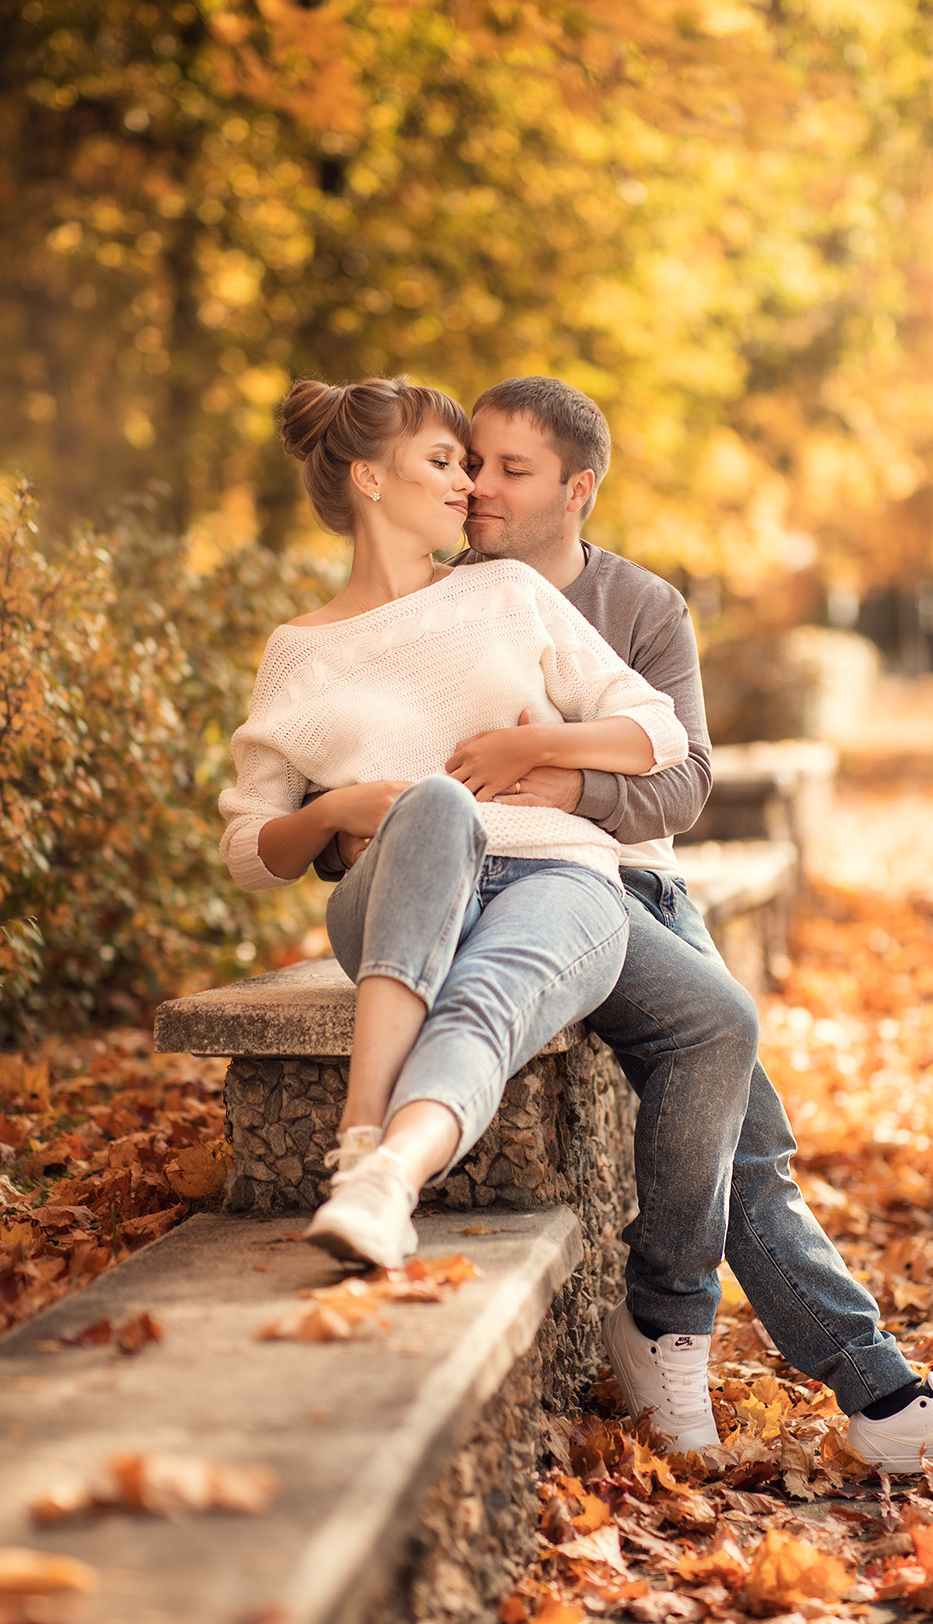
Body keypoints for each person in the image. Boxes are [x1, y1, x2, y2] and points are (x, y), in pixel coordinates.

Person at [316, 375, 933, 1473]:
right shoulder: (438, 597)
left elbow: (683, 781)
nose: (481, 488)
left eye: (511, 468)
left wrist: (556, 772)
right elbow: (381, 786)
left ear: (577, 488)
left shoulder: (639, 606)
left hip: (643, 886)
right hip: (529, 891)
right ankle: (836, 1377)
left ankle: (846, 1380)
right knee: (725, 1066)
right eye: (473, 463)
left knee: (753, 1141)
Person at [218, 376, 691, 1275]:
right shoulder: (298, 653)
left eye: (469, 467)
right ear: (368, 478)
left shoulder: (506, 591)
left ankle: (385, 1179)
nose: (465, 486)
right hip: (399, 891)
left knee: (486, 996)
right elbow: (249, 852)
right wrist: (336, 811)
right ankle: (363, 1145)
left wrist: (536, 747)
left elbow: (659, 731)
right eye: (443, 462)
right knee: (435, 803)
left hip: (554, 879)